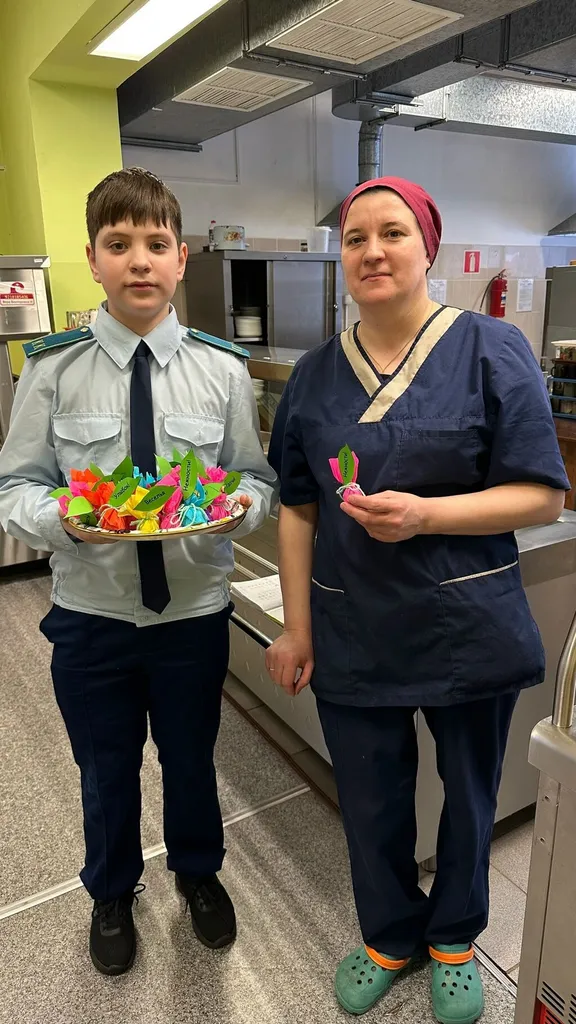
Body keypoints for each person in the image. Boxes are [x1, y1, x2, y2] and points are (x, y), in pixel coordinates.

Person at [266, 176, 568, 1024]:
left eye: (392, 233)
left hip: (465, 622)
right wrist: (296, 628)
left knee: (470, 794)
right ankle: (390, 935)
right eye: (355, 238)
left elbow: (542, 495)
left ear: (427, 248)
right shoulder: (316, 376)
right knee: (369, 797)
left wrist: (428, 515)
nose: (372, 251)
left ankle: (455, 937)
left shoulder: (490, 349)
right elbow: (297, 507)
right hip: (352, 623)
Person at [0, 167, 276, 976]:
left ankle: (198, 872)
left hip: (191, 613)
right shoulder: (51, 370)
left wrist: (240, 509)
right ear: (93, 259)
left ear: (182, 257)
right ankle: (112, 889)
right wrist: (63, 519)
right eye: (118, 244)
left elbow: (252, 477)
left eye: (156, 243)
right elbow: (15, 488)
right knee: (105, 766)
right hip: (93, 616)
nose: (139, 260)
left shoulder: (222, 370)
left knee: (192, 758)